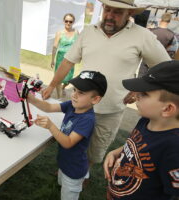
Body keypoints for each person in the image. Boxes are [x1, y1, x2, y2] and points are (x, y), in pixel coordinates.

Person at [42, 0, 171, 167]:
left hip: (111, 110)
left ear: (129, 13)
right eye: (107, 9)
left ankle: (82, 178)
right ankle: (68, 172)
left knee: (96, 149)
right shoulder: (88, 32)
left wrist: (139, 88)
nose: (110, 15)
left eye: (117, 12)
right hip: (80, 107)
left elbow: (164, 67)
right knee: (71, 142)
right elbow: (68, 61)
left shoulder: (143, 36)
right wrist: (52, 85)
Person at [104, 60, 179, 199]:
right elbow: (137, 146)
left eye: (144, 94)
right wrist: (116, 152)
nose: (136, 94)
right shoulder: (146, 120)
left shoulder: (173, 148)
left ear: (167, 109)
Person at [28, 70, 107, 200]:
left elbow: (68, 142)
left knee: (68, 194)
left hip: (74, 170)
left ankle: (82, 177)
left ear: (95, 99)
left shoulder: (87, 119)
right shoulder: (72, 105)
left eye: (81, 92)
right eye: (74, 89)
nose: (74, 95)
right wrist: (31, 99)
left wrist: (50, 126)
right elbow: (48, 107)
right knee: (61, 181)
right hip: (65, 162)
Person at [139, 13, 176, 77]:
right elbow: (170, 47)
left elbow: (143, 43)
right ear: (169, 21)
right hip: (159, 59)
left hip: (147, 56)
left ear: (161, 19)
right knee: (154, 77)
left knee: (142, 76)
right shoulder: (171, 34)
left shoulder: (151, 31)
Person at [51, 13, 79, 98]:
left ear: (73, 22)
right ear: (64, 21)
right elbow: (55, 47)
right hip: (60, 59)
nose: (68, 23)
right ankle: (59, 97)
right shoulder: (59, 33)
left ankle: (63, 88)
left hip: (71, 60)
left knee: (68, 80)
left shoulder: (76, 32)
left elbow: (78, 46)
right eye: (66, 21)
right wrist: (52, 60)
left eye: (70, 21)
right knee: (58, 79)